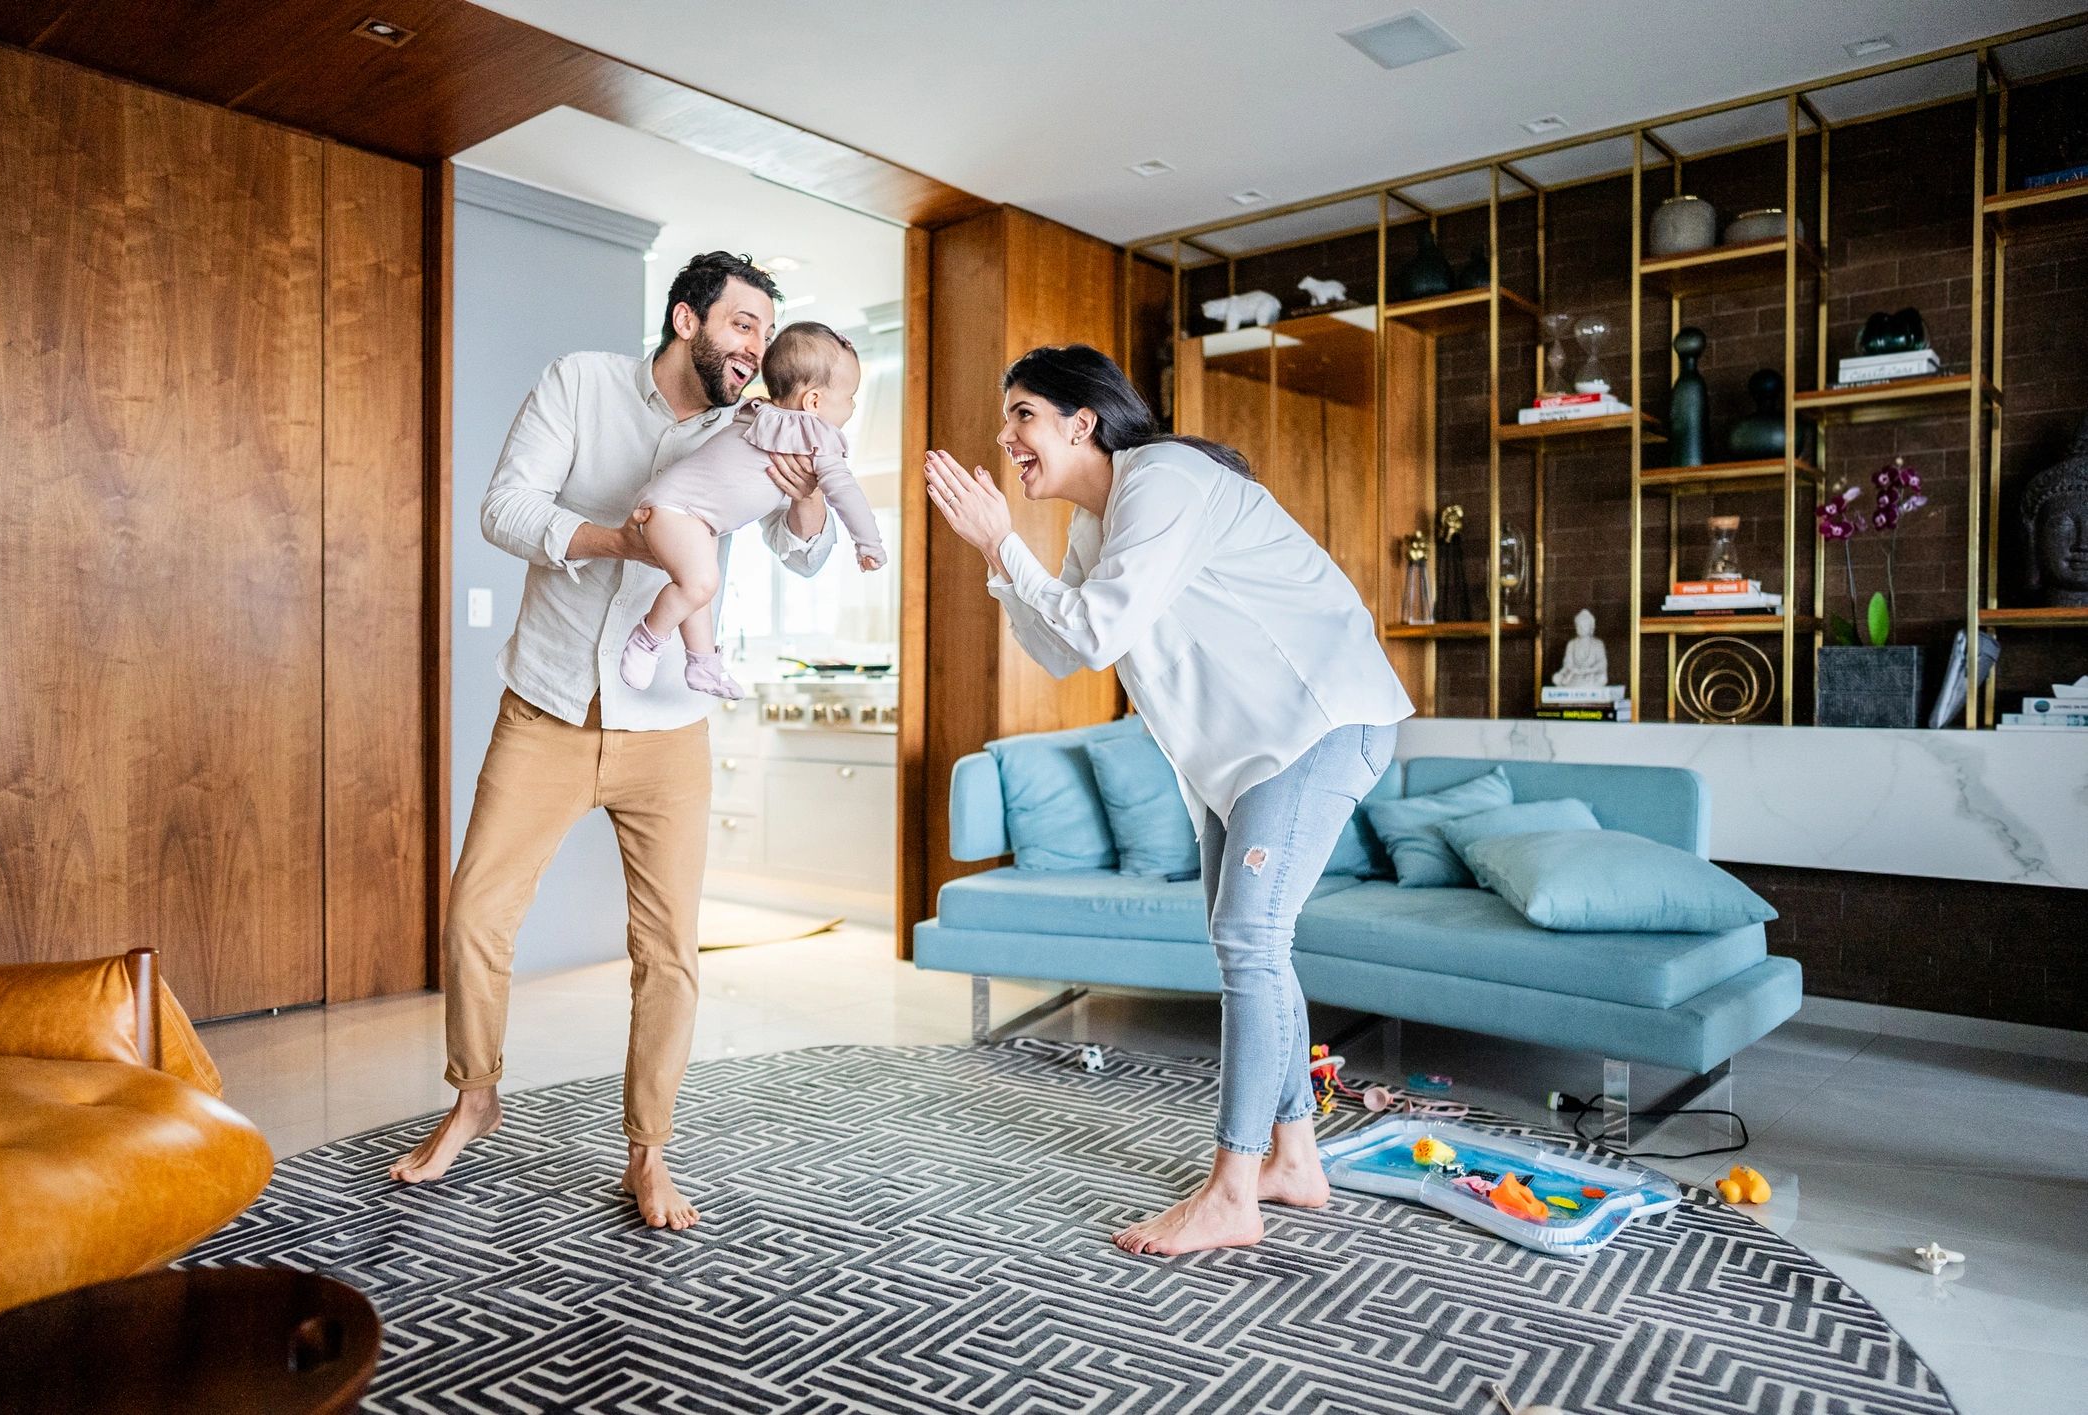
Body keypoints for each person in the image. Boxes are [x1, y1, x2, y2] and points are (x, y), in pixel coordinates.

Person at [923, 344, 1414, 1257]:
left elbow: (1097, 628)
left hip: (1316, 725)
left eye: (1021, 414)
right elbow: (1069, 649)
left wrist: (1000, 542)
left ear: (1082, 422)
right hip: (1243, 760)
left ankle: (1234, 1192)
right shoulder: (1097, 519)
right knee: (1253, 945)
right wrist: (1001, 564)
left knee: (1248, 940)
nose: (1005, 437)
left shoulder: (1166, 480)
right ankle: (1293, 1155)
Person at [388, 252, 839, 1230]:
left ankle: (648, 1150)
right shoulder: (581, 383)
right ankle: (476, 1095)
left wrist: (810, 488)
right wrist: (620, 541)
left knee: (669, 951)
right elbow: (504, 510)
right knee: (475, 915)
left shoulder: (750, 426)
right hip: (546, 705)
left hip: (668, 725)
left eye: (765, 331)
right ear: (688, 317)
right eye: (741, 323)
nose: (754, 345)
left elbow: (803, 553)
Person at [620, 321, 886, 698]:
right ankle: (648, 639)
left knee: (701, 585)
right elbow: (846, 492)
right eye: (849, 397)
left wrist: (808, 498)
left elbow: (804, 555)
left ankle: (703, 663)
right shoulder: (813, 434)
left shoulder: (760, 415)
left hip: (693, 517)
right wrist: (869, 543)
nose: (853, 406)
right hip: (672, 510)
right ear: (813, 402)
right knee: (700, 583)